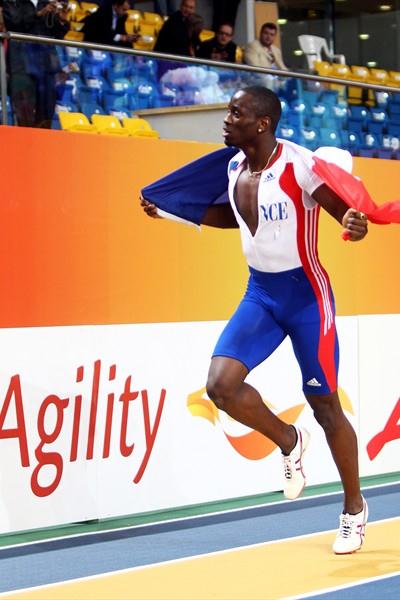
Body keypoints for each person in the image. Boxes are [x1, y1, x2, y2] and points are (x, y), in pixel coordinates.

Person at [141, 85, 370, 555]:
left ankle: (353, 509)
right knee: (221, 386)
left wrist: (353, 222)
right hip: (260, 295)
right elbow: (236, 218)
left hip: (307, 297)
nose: (226, 120)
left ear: (262, 123)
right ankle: (289, 441)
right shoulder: (233, 165)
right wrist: (172, 212)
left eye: (235, 113)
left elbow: (338, 208)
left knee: (325, 405)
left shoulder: (298, 164)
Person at [1, 0, 69, 128]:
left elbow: (58, 35)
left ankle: (42, 144)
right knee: (24, 112)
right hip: (21, 64)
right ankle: (23, 144)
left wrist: (62, 20)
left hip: (46, 64)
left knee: (46, 111)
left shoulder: (46, 4)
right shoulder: (13, 3)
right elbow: (14, 25)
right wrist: (38, 15)